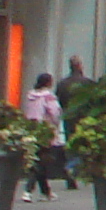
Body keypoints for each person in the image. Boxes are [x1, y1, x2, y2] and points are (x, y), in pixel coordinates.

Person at [21, 71, 65, 200]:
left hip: (32, 129)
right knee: (40, 161)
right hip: (45, 131)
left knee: (40, 159)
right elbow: (55, 113)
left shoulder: (31, 96)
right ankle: (28, 190)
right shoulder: (48, 97)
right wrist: (55, 127)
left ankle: (46, 191)